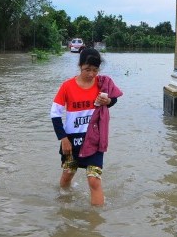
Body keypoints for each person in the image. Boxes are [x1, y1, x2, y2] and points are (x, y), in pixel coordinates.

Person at [50, 48, 123, 206]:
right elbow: (55, 114)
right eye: (87, 69)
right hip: (72, 141)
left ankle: (96, 223)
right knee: (68, 174)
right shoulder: (67, 86)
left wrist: (108, 102)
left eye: (95, 70)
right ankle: (63, 200)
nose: (91, 74)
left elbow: (114, 99)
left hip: (94, 140)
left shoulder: (102, 84)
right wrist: (63, 139)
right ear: (80, 66)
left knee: (94, 181)